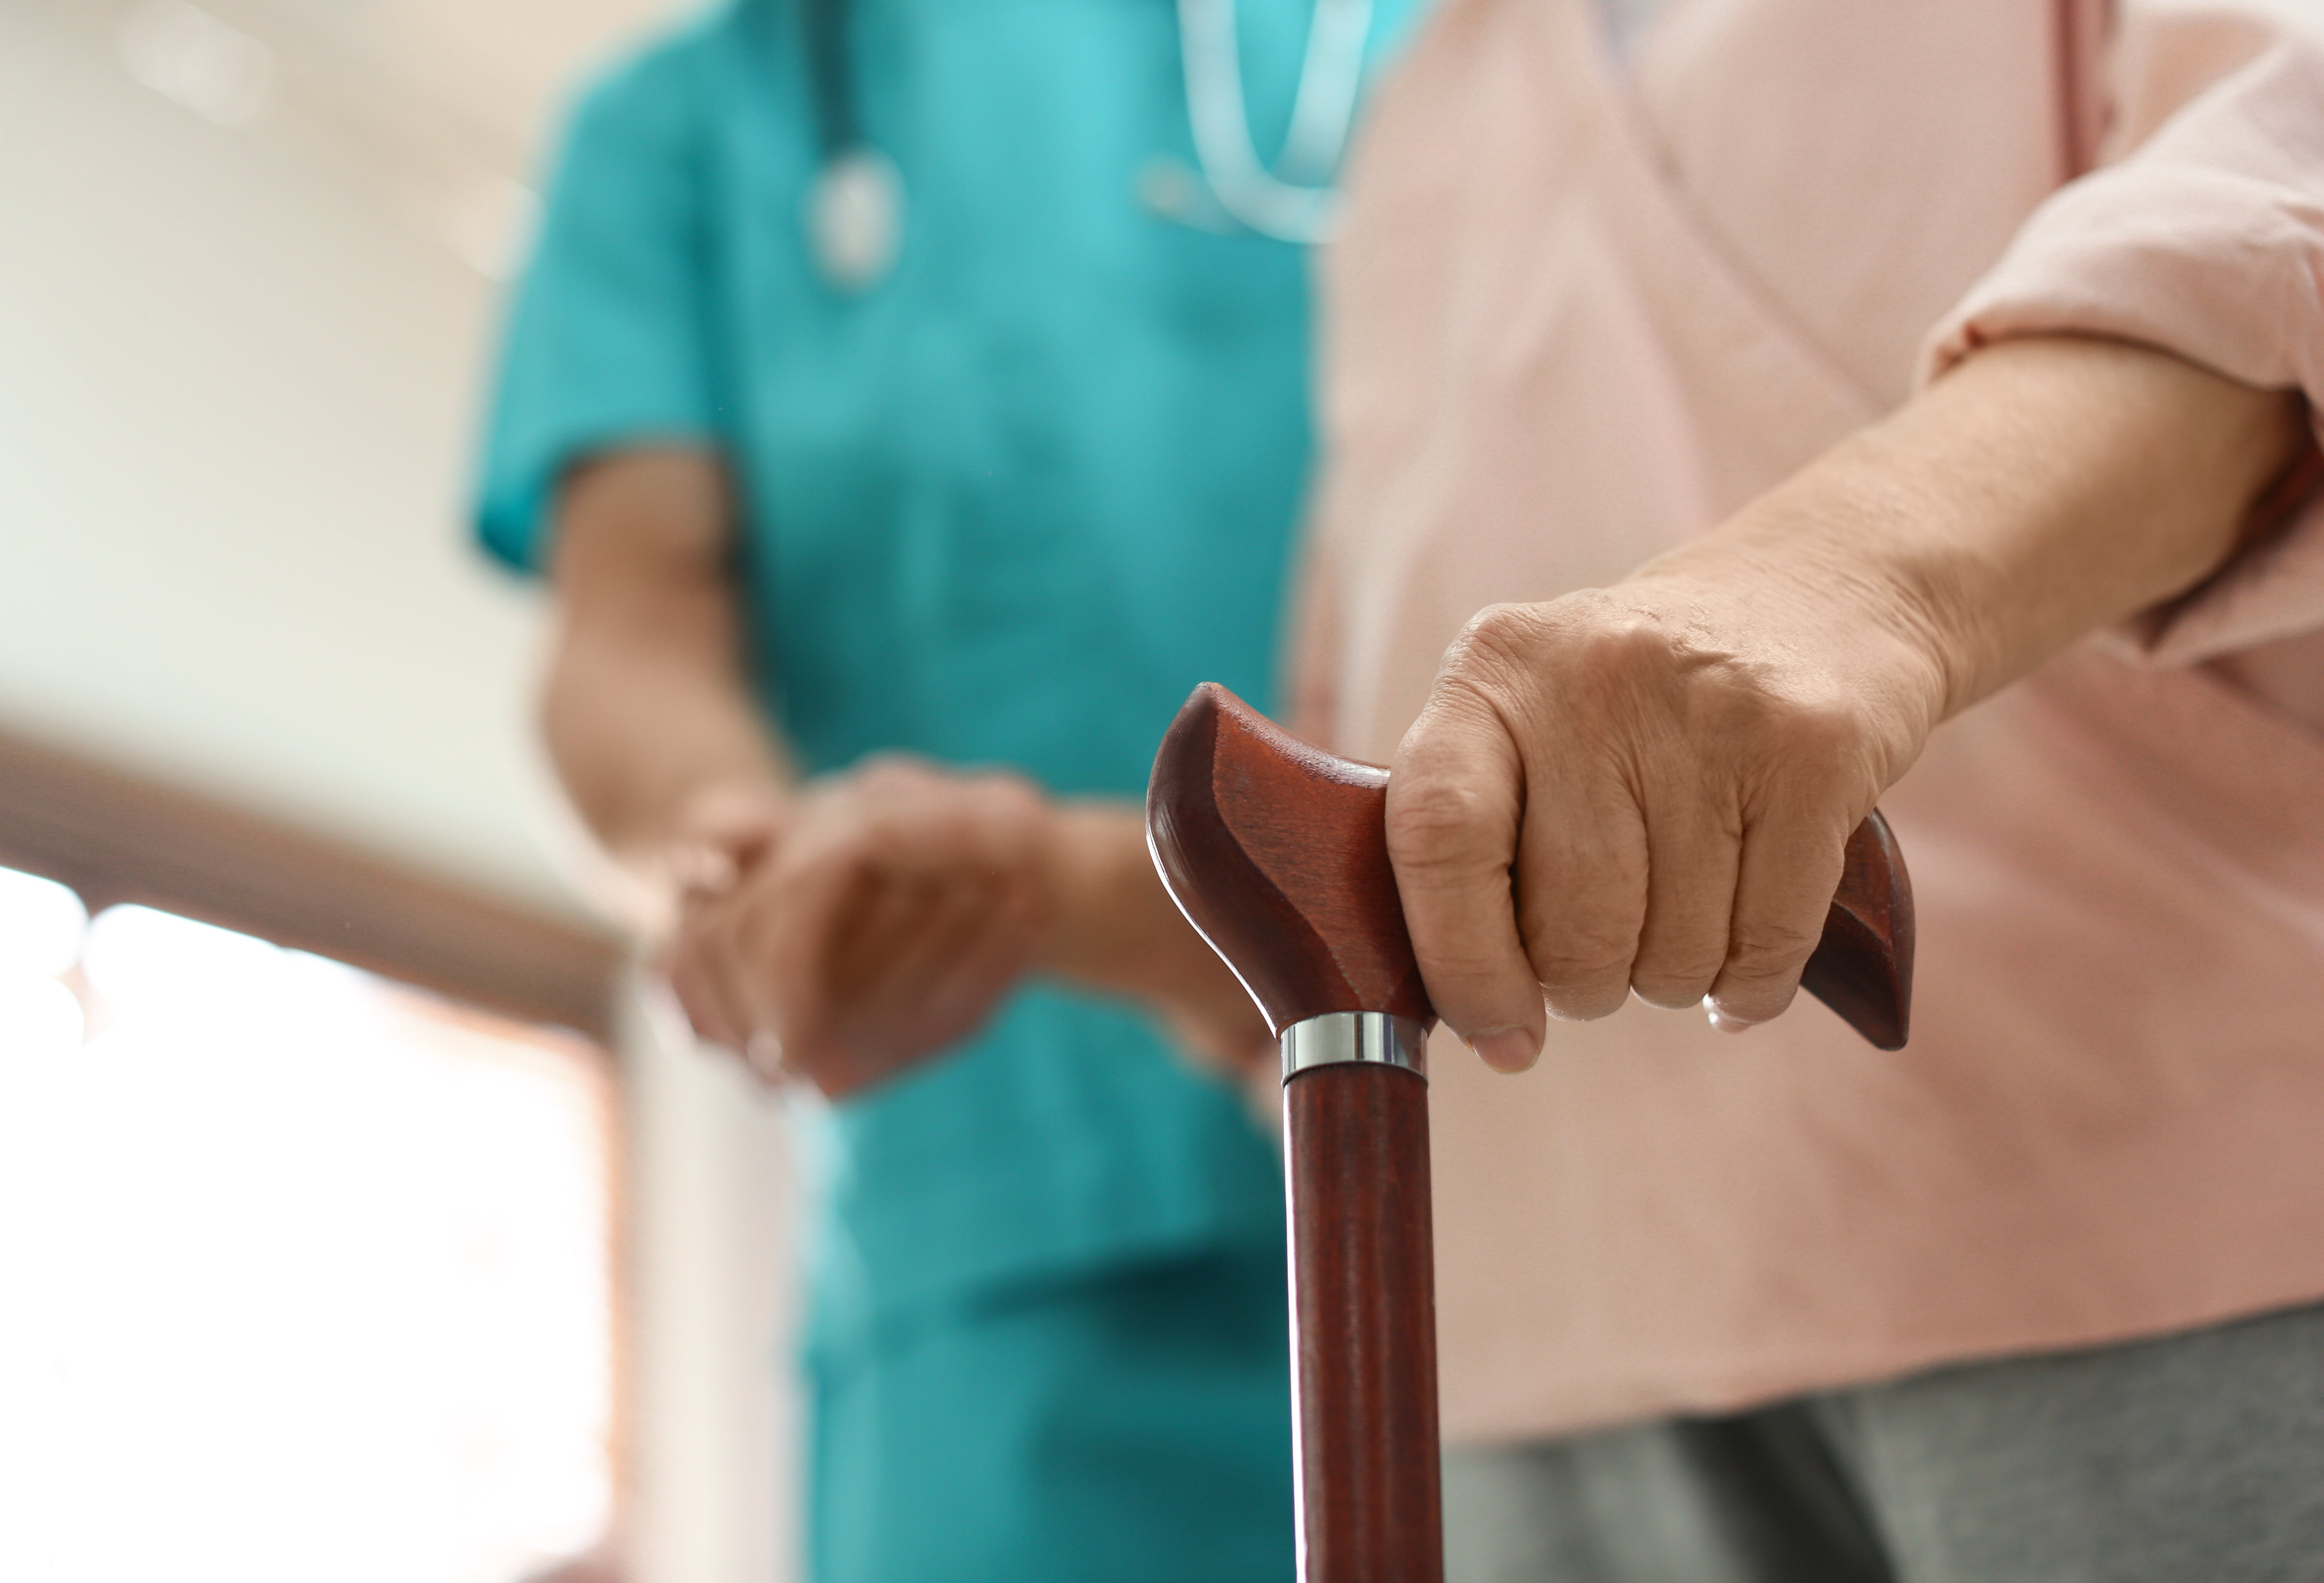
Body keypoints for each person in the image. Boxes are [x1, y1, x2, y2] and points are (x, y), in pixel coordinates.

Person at [1282, 0, 2324, 1577]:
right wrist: (1058, 895)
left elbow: (2283, 189)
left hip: (2153, 1259)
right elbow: (1403, 805)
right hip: (1531, 1364)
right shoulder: (1428, 111)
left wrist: (1841, 585)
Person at [471, 0, 1413, 1578]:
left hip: (1528, 1136)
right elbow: (628, 637)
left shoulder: (1421, 45)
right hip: (999, 1233)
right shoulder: (694, 127)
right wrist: (756, 858)